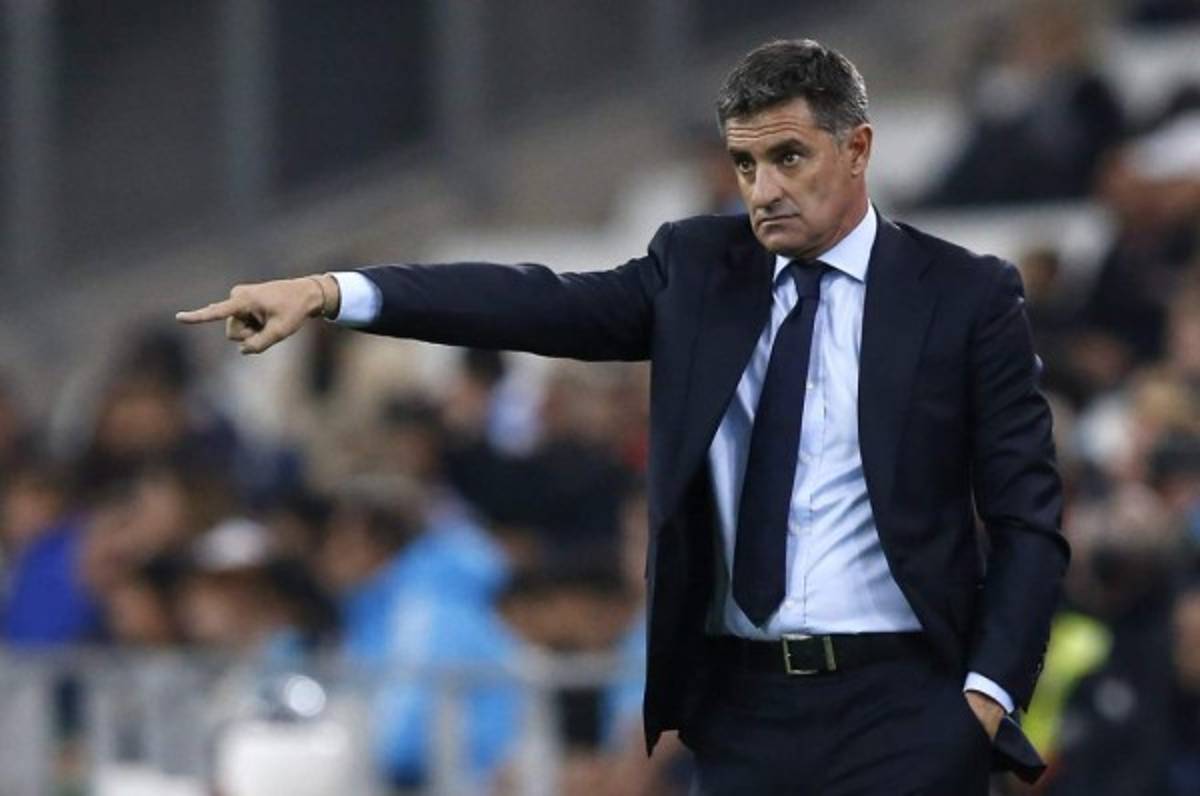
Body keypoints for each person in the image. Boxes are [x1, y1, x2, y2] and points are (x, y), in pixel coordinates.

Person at [179, 39, 1069, 794]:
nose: (763, 189)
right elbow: (532, 302)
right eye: (745, 165)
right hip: (745, 713)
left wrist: (984, 698)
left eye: (789, 158)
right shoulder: (698, 269)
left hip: (905, 706)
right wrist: (333, 292)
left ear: (858, 148)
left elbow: (1028, 517)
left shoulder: (963, 295)